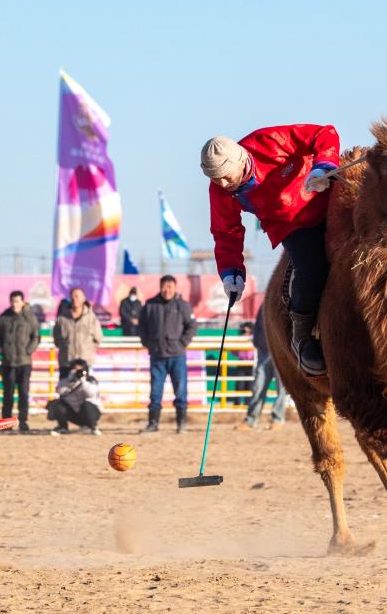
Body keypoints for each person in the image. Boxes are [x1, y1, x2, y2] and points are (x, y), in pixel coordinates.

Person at [201, 124, 340, 377]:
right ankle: (302, 335)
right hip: (291, 225)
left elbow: (322, 134)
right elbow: (226, 232)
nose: (222, 183)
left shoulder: (267, 141)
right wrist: (231, 271)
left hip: (326, 196)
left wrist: (323, 166)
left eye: (225, 176)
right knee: (311, 270)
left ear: (240, 159)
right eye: (215, 178)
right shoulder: (220, 190)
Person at [138, 275, 198, 433]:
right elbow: (142, 326)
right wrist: (147, 343)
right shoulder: (150, 305)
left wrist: (182, 343)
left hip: (177, 356)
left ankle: (181, 423)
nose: (167, 290)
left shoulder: (183, 305)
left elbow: (192, 326)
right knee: (155, 391)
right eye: (165, 286)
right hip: (157, 355)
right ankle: (153, 423)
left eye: (170, 286)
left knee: (180, 391)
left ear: (175, 288)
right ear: (160, 287)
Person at [236, 304, 290, 431]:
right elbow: (258, 326)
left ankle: (277, 419)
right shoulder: (264, 305)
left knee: (281, 388)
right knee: (258, 386)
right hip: (264, 352)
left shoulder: (286, 302)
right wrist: (258, 343)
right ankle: (251, 420)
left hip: (281, 353)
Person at [0, 291, 41, 432]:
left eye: (17, 301)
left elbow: (36, 337)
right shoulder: (4, 317)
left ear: (23, 302)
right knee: (8, 394)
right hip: (8, 362)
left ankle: (23, 421)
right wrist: (2, 351)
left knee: (23, 393)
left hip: (24, 362)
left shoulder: (30, 318)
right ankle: (6, 423)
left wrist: (28, 350)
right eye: (13, 301)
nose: (15, 304)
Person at [52, 287, 103, 379]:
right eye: (72, 296)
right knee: (65, 387)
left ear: (83, 299)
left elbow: (98, 339)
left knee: (85, 386)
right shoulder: (62, 318)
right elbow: (57, 340)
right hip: (66, 363)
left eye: (77, 296)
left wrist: (86, 349)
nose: (74, 299)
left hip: (85, 364)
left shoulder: (91, 318)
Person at [47, 359, 103, 436]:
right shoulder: (66, 380)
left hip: (90, 413)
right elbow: (59, 391)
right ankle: (63, 427)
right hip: (73, 413)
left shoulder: (91, 380)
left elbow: (91, 394)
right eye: (75, 369)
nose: (77, 372)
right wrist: (71, 382)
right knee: (58, 403)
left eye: (80, 370)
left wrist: (83, 381)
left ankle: (92, 427)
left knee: (87, 404)